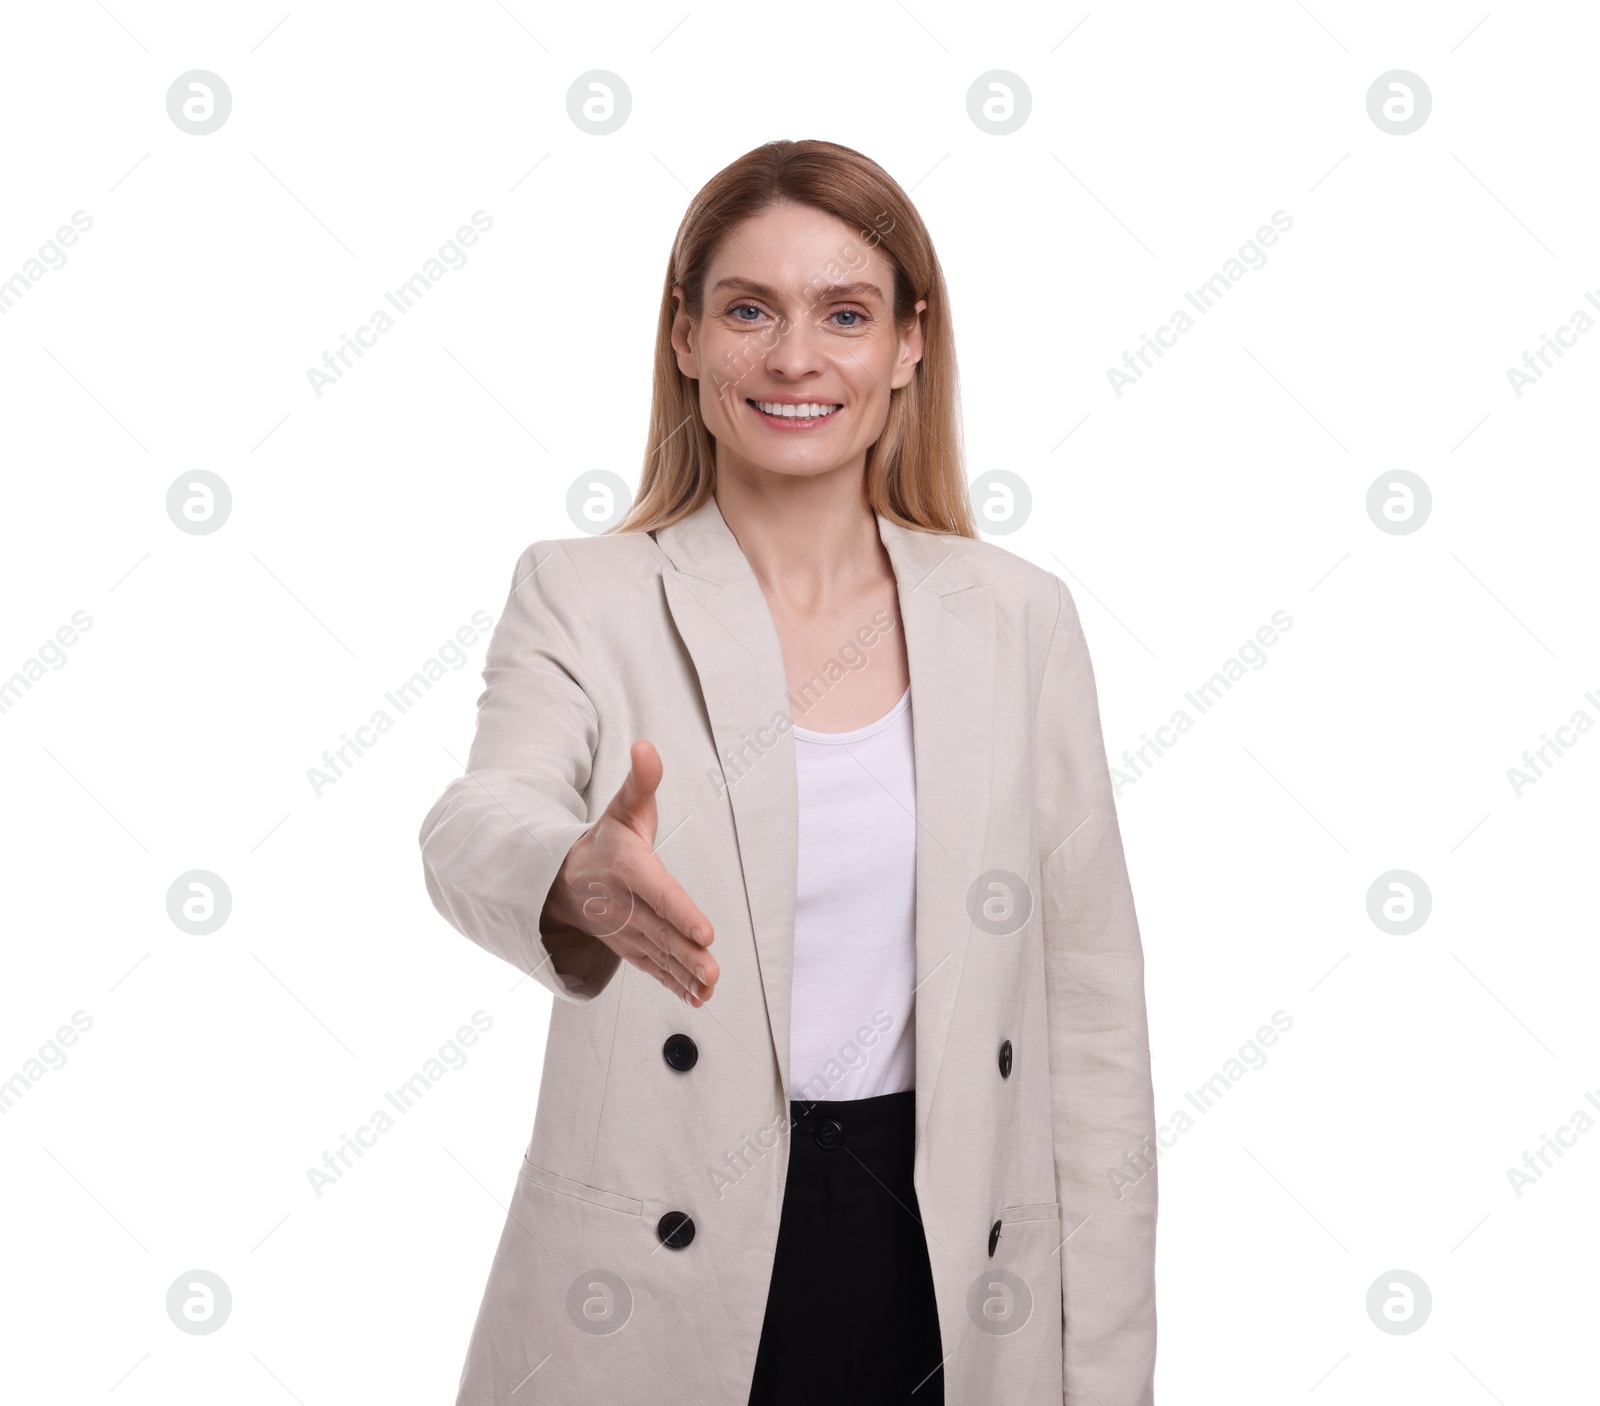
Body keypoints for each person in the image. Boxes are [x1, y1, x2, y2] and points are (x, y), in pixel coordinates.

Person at [418, 137, 1158, 1406]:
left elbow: (1092, 1021)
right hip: (657, 1267)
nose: (795, 357)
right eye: (748, 308)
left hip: (945, 1250)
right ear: (685, 336)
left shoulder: (1016, 617)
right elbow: (475, 815)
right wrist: (568, 870)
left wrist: (1106, 1377)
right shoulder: (583, 593)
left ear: (911, 342)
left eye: (846, 313)